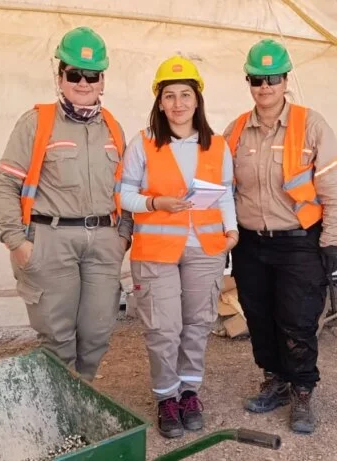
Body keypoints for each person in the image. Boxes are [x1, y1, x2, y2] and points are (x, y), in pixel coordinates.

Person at [223, 39, 337, 434]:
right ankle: (274, 380)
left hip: (298, 242)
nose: (265, 87)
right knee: (259, 317)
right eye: (257, 79)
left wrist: (330, 241)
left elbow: (333, 188)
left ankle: (302, 390)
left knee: (296, 320)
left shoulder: (311, 125)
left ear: (285, 80)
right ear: (249, 82)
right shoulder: (236, 130)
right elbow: (223, 189)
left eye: (272, 78)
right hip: (250, 243)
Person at [0, 26, 130, 382]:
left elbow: (126, 185)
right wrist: (16, 241)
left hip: (103, 239)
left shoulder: (113, 127)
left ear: (102, 81)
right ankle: (63, 414)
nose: (83, 83)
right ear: (60, 77)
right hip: (50, 239)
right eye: (74, 74)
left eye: (91, 76)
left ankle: (80, 398)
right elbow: (5, 181)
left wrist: (123, 235)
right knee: (58, 338)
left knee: (97, 333)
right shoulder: (36, 122)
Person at [120, 56, 238, 439]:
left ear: (197, 99)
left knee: (198, 323)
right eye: (169, 95)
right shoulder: (143, 144)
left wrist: (232, 230)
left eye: (185, 94)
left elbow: (225, 194)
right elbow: (123, 194)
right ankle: (166, 397)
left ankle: (190, 393)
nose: (178, 103)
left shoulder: (217, 145)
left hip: (205, 247)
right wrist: (155, 203)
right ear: (159, 101)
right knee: (164, 328)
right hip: (155, 250)